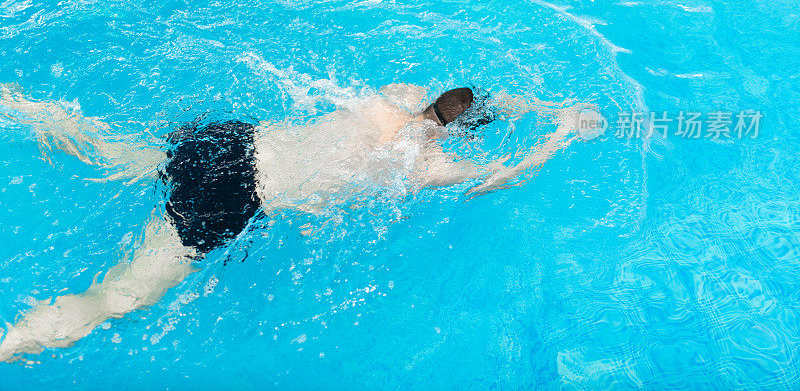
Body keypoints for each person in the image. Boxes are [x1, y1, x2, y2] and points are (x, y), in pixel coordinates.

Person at [0, 82, 585, 362]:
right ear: (457, 134)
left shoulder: (387, 102)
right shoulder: (424, 164)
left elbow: (449, 102)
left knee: (122, 156)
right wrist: (559, 131)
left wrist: (497, 103)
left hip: (234, 141)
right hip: (237, 196)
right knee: (125, 294)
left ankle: (25, 111)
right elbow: (497, 179)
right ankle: (14, 343)